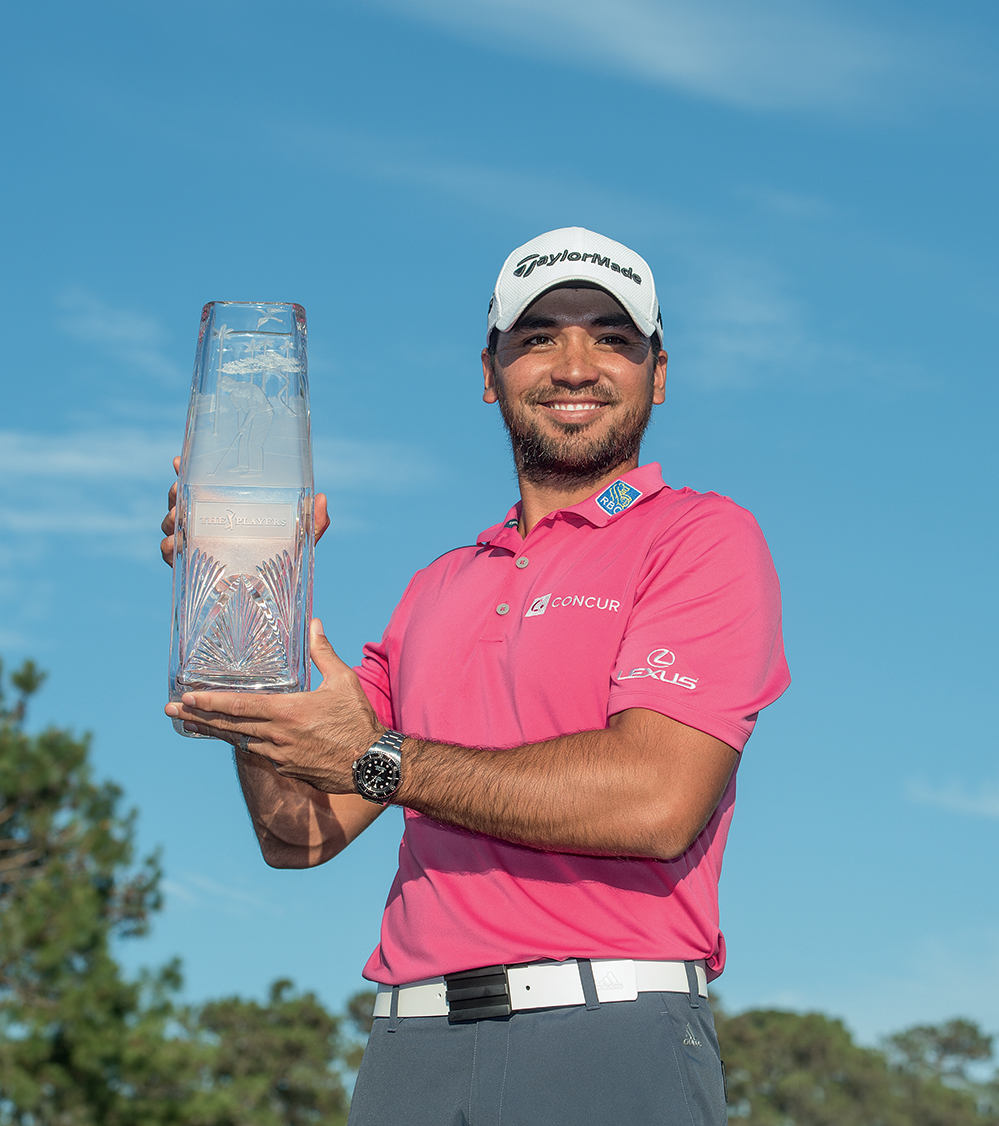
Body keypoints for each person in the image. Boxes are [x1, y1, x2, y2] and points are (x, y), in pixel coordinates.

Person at [161, 227, 790, 1125]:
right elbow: (297, 829)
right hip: (408, 1051)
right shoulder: (436, 587)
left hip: (607, 1036)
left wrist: (381, 758)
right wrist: (242, 596)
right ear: (489, 372)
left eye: (611, 337)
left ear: (657, 373)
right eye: (536, 338)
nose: (574, 364)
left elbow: (656, 800)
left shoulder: (701, 538)